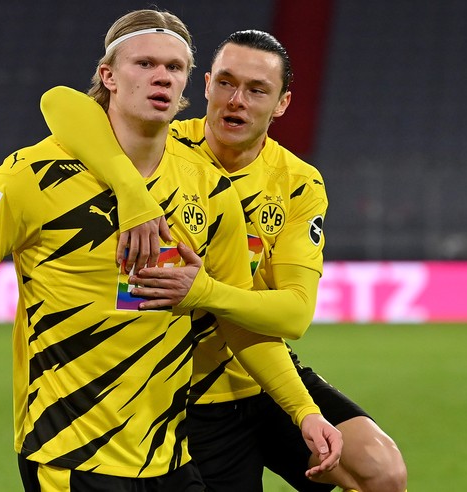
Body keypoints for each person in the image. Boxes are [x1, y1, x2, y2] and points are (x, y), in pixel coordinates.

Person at [0, 11, 342, 492]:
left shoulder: (210, 189)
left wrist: (303, 411)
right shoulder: (32, 175)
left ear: (186, 88)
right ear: (108, 76)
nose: (162, 75)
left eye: (175, 67)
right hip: (69, 458)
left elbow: (236, 320)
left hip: (171, 459)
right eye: (145, 63)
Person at [40, 30, 408, 492]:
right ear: (207, 85)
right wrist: (131, 189)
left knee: (383, 473)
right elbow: (60, 106)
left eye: (257, 91)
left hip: (262, 371)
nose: (237, 101)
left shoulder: (297, 183)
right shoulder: (159, 150)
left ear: (282, 104)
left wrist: (204, 292)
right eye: (227, 84)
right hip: (184, 393)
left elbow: (294, 313)